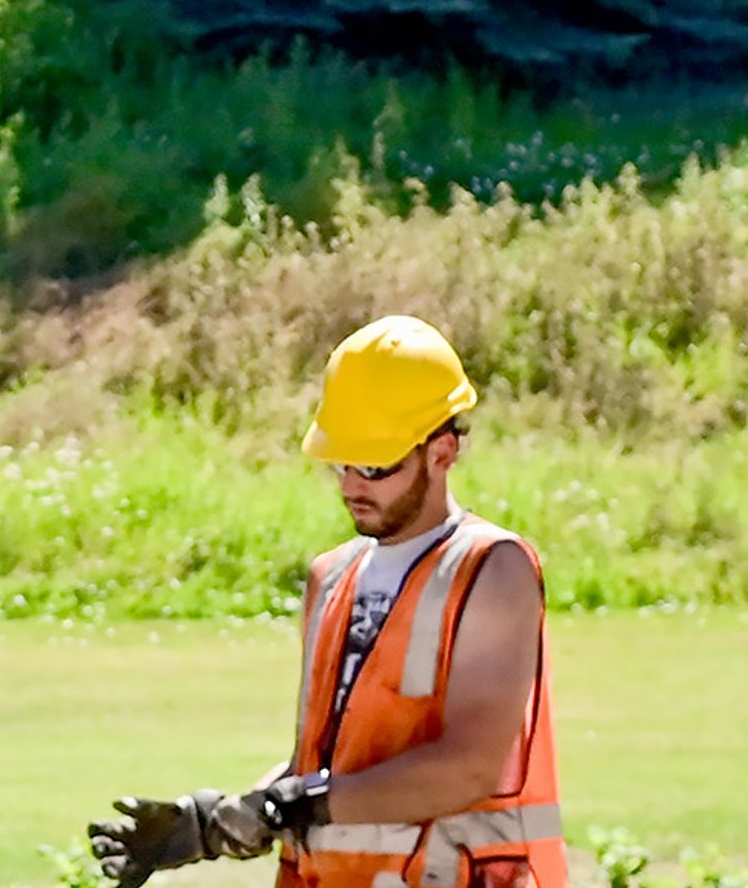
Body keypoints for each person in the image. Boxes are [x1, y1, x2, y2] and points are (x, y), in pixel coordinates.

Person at [90, 318, 563, 888]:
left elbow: (467, 768)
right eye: (342, 463)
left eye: (374, 466)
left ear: (443, 451)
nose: (351, 485)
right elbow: (324, 770)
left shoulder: (492, 568)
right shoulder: (332, 577)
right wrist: (214, 824)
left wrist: (299, 803)